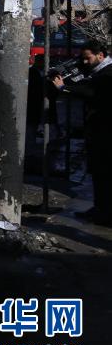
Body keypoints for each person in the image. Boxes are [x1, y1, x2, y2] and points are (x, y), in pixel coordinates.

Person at [51, 40, 112, 224]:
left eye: (88, 58)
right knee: (98, 173)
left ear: (100, 55)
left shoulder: (107, 74)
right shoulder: (98, 70)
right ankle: (100, 208)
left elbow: (90, 92)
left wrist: (64, 88)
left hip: (106, 134)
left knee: (104, 174)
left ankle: (105, 213)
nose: (85, 62)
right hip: (99, 132)